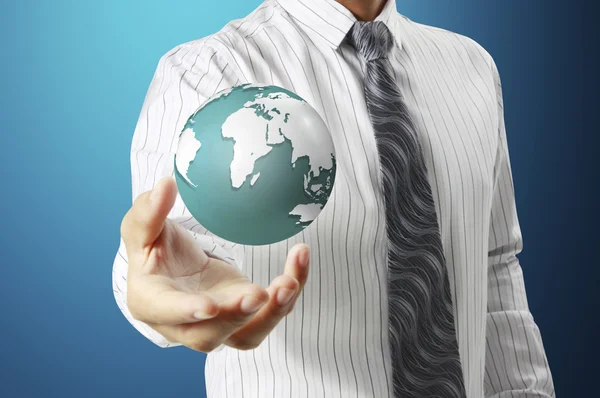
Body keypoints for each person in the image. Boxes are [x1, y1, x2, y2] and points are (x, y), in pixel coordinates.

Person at [113, 0, 555, 396]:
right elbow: (176, 250)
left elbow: (494, 266)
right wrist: (160, 278)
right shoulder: (207, 71)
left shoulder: (472, 66)